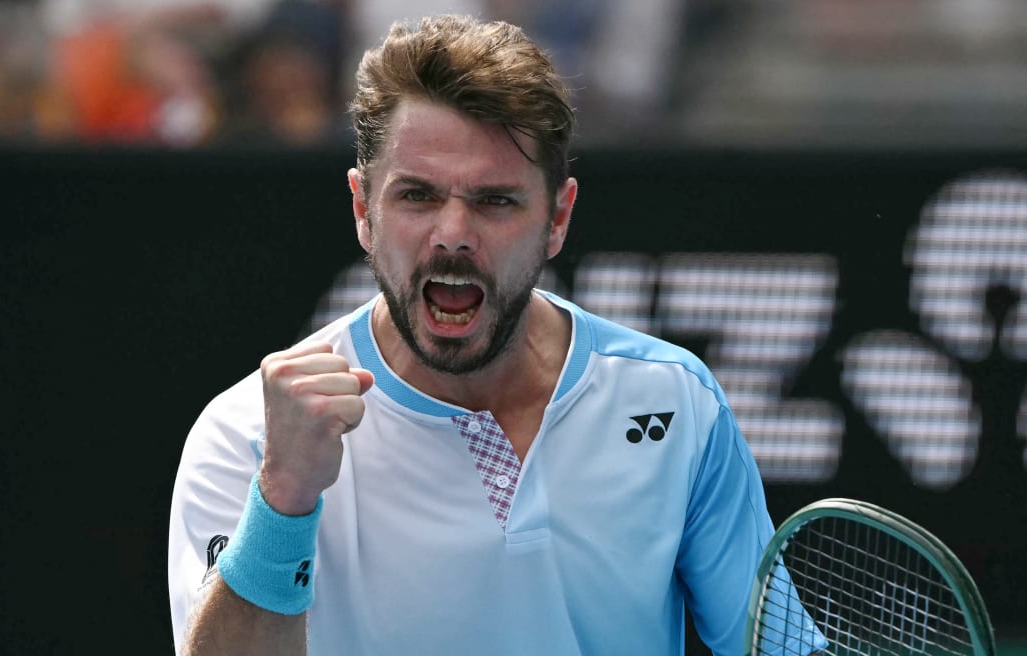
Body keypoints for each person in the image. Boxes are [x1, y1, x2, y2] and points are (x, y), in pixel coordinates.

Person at [168, 13, 827, 656]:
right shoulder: (250, 435)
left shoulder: (674, 402)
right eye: (417, 196)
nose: (453, 233)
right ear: (363, 210)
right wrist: (283, 500)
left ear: (558, 216)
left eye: (494, 200)